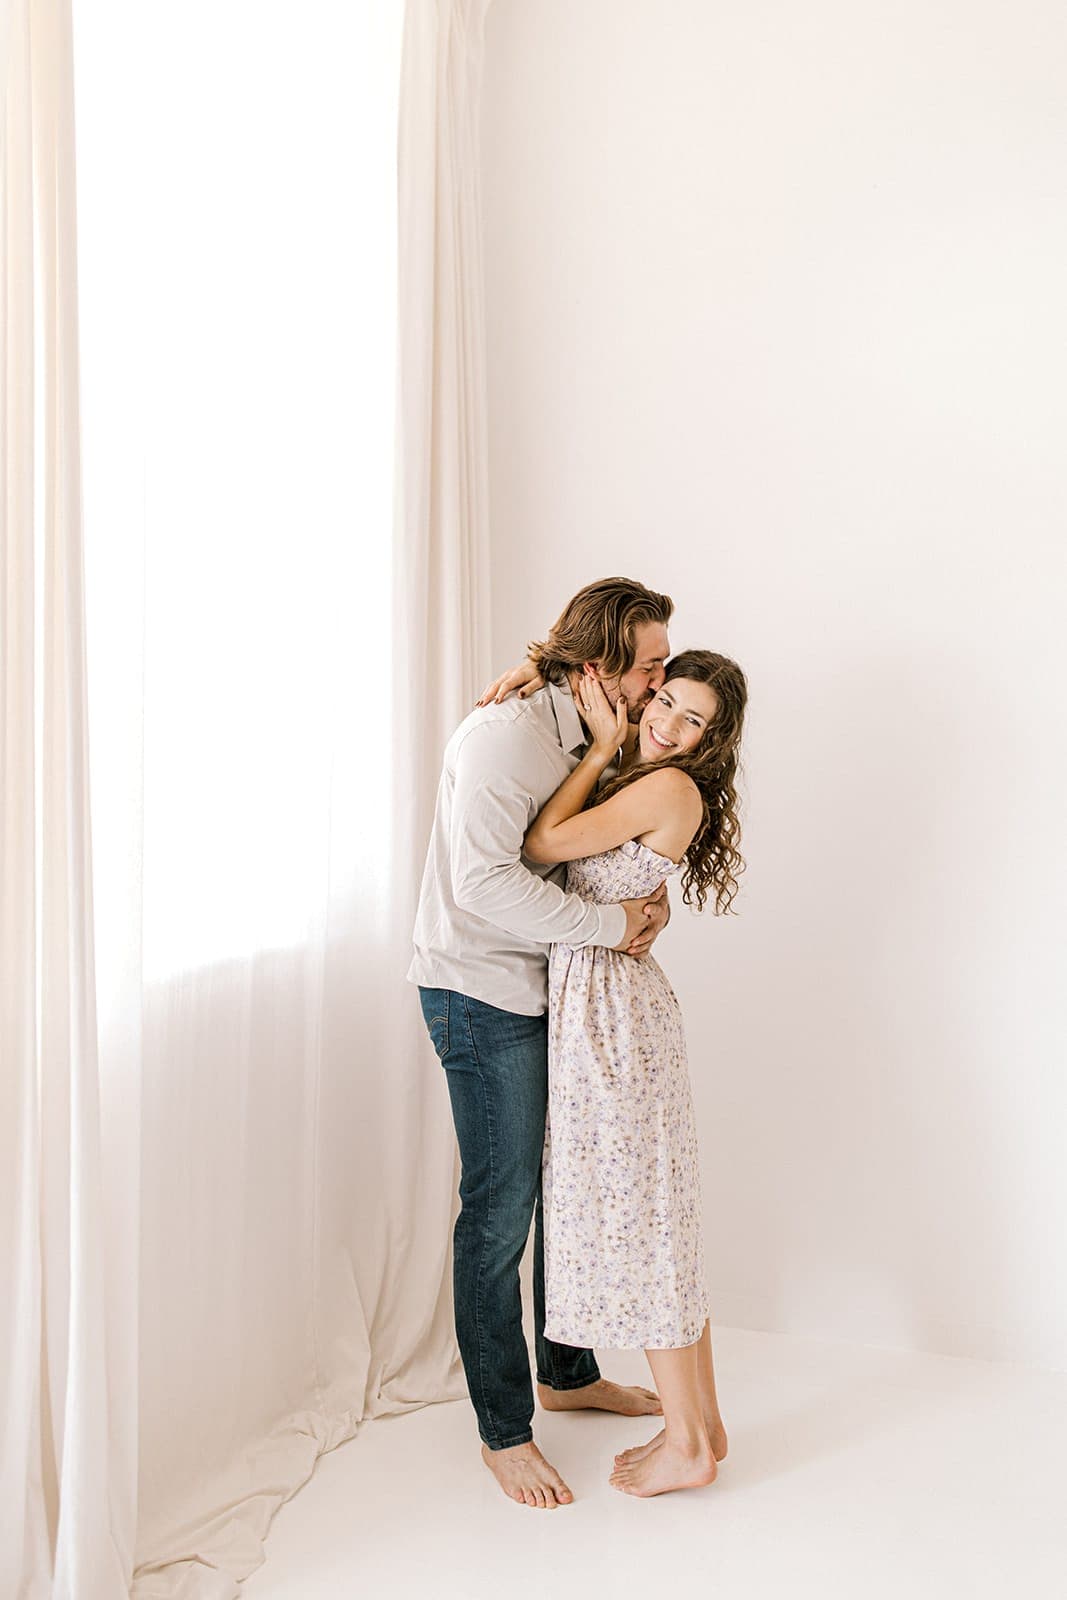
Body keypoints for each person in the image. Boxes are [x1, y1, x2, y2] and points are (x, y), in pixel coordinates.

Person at [410, 577, 677, 1509]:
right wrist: (612, 929)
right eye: (649, 667)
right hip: (480, 994)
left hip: (552, 987)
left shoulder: (590, 721)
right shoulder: (503, 738)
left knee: (563, 1188)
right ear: (600, 665)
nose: (660, 682)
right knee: (499, 1208)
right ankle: (503, 1430)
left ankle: (567, 1374)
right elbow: (485, 884)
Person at [523, 648, 747, 1497]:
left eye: (693, 721)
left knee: (645, 1229)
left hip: (614, 1021)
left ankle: (687, 1445)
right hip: (615, 1005)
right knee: (658, 1223)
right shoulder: (648, 778)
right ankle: (704, 1426)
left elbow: (543, 841)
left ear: (711, 740)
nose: (668, 724)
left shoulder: (663, 786)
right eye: (668, 703)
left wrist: (598, 743)